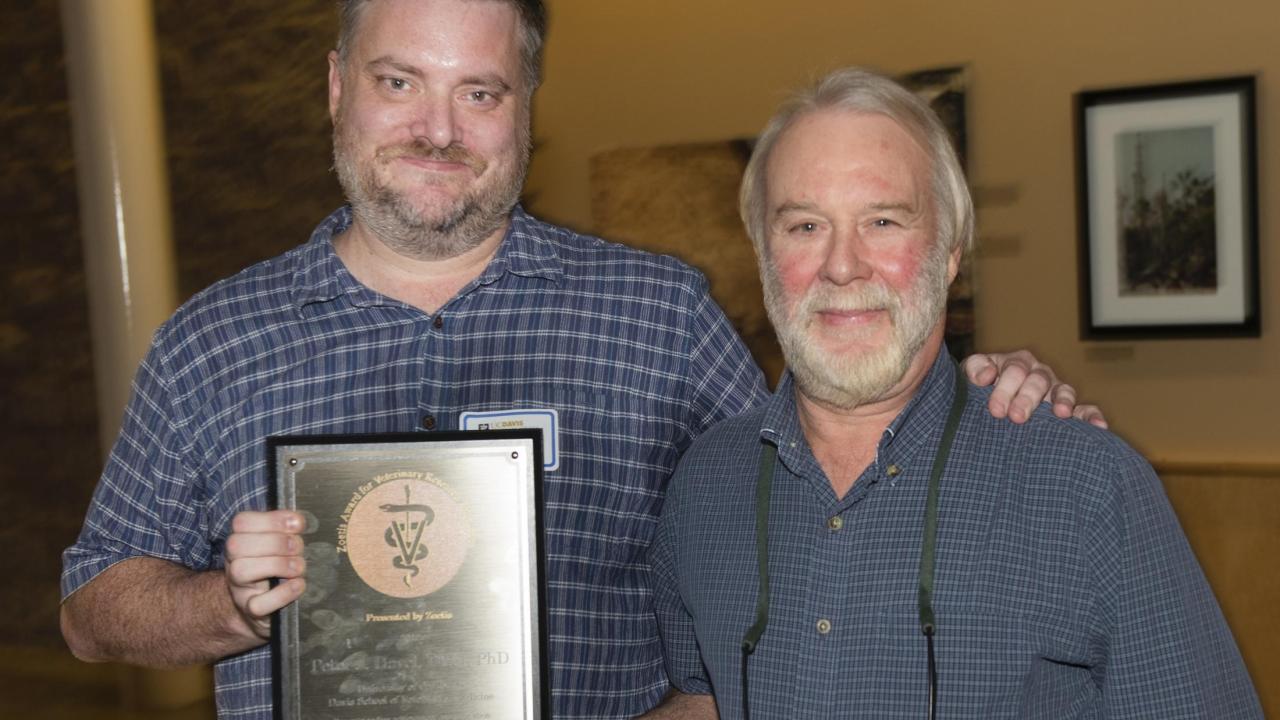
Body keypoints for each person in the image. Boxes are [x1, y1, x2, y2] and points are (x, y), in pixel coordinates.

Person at [60, 3, 1102, 718]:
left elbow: (816, 510)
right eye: (397, 82)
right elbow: (91, 607)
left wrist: (970, 411)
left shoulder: (657, 314)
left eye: (480, 92)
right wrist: (227, 608)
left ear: (527, 106)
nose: (438, 129)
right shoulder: (211, 340)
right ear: (337, 86)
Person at [646, 67, 1262, 719]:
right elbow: (701, 699)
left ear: (948, 255)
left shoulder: (1089, 487)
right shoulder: (704, 486)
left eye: (883, 221)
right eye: (804, 226)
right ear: (764, 254)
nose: (843, 264)